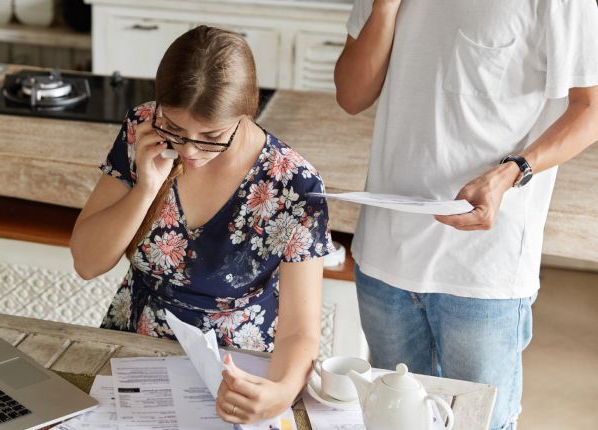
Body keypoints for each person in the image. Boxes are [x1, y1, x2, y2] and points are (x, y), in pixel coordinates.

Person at [334, 1, 598, 429]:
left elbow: (591, 108)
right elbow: (351, 95)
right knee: (393, 421)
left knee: (481, 424)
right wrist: (385, 9)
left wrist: (513, 171)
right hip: (385, 257)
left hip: (483, 269)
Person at [70, 26, 334, 424]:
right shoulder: (143, 128)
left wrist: (280, 393)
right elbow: (87, 262)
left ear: (247, 112)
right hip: (133, 351)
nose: (189, 151)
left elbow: (300, 330)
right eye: (175, 130)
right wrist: (146, 189)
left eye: (210, 137)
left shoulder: (294, 185)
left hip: (233, 373)